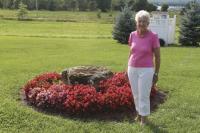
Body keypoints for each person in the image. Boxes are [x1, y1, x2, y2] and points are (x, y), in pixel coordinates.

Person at [127, 10, 160, 126]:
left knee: (144, 94)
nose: (141, 23)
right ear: (136, 22)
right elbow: (131, 52)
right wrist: (127, 67)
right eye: (139, 21)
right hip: (132, 68)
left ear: (148, 23)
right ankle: (139, 113)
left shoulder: (153, 36)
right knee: (135, 94)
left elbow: (157, 56)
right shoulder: (132, 35)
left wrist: (156, 73)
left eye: (144, 21)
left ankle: (144, 118)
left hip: (146, 70)